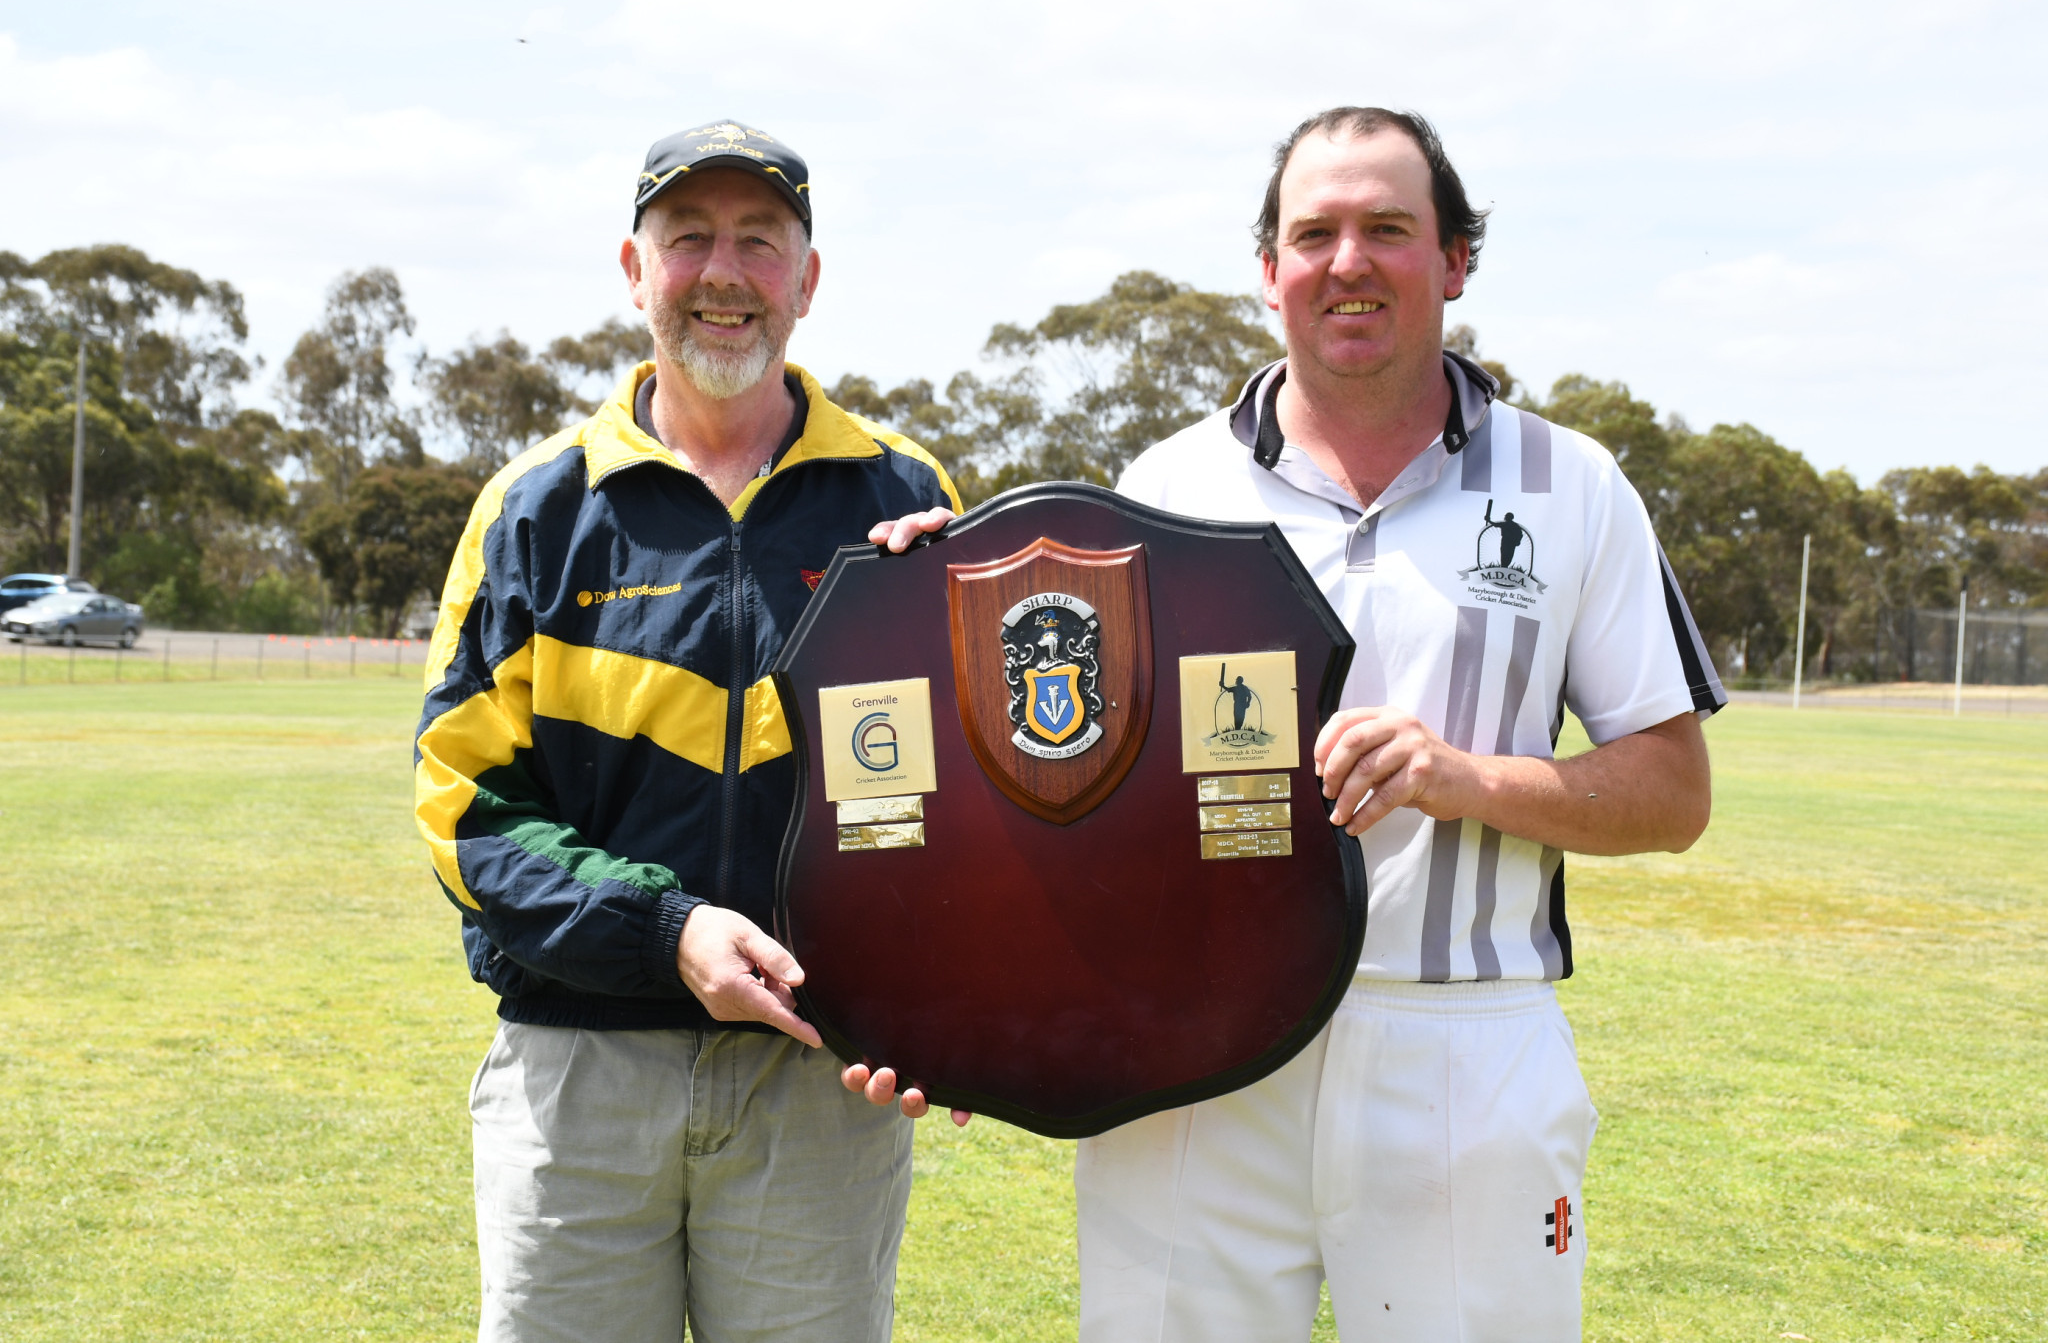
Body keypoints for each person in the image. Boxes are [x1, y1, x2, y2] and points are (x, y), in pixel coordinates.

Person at [871, 106, 1722, 1341]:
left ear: (1454, 262)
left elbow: (1673, 791)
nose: (1347, 261)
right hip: (1188, 1050)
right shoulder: (1159, 489)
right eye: (1311, 232)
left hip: (1457, 1045)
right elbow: (1044, 773)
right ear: (1266, 270)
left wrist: (1465, 779)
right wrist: (905, 603)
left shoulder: (1569, 484)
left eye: (1387, 228)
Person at [414, 118, 961, 1343]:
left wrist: (956, 1010)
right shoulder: (536, 509)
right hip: (577, 1082)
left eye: (759, 243)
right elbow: (463, 811)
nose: (724, 274)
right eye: (688, 239)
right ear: (633, 268)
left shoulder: (905, 500)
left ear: (806, 280)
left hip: (817, 1085)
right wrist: (664, 933)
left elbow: (968, 803)